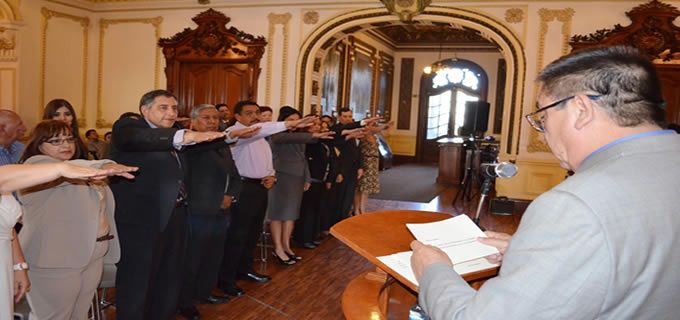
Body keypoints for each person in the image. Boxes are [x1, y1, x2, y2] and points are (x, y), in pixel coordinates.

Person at [410, 46, 680, 319]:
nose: (543, 131)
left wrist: (434, 270)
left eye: (544, 115)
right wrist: (533, 252)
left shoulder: (573, 205)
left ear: (581, 109)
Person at [108, 90, 242, 320]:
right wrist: (183, 137)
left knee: (168, 277)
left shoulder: (171, 137)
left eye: (173, 108)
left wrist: (224, 137)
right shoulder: (128, 129)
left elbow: (198, 147)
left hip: (175, 215)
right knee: (137, 281)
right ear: (145, 110)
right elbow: (138, 139)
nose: (171, 112)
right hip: (141, 221)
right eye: (163, 107)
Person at [17, 120, 137, 320]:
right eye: (55, 141)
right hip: (55, 258)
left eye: (69, 139)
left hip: (92, 254)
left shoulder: (81, 169)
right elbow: (63, 169)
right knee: (54, 316)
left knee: (79, 315)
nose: (65, 145)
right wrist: (104, 165)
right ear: (38, 145)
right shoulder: (36, 166)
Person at [217, 101, 315, 297]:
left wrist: (271, 175)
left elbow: (266, 158)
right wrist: (290, 124)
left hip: (260, 187)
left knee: (253, 232)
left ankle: (245, 269)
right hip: (243, 188)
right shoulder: (236, 133)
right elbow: (262, 129)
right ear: (237, 116)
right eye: (248, 113)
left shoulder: (259, 135)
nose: (254, 116)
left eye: (256, 112)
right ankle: (227, 280)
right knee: (238, 235)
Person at [177, 104, 245, 320]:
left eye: (215, 118)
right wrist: (226, 136)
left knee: (213, 256)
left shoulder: (220, 144)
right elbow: (199, 150)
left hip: (222, 210)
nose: (212, 121)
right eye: (206, 118)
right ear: (193, 122)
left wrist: (230, 195)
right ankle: (185, 302)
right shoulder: (190, 145)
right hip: (198, 209)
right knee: (192, 258)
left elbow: (235, 174)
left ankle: (204, 293)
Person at [268, 107, 334, 265]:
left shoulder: (299, 136)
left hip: (297, 178)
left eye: (298, 119)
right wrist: (313, 135)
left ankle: (286, 246)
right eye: (292, 120)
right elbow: (283, 139)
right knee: (278, 213)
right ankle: (277, 248)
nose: (296, 123)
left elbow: (303, 159)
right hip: (281, 177)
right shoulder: (278, 134)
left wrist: (307, 178)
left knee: (291, 214)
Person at [293, 117, 337, 249]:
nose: (317, 127)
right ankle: (303, 238)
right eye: (315, 124)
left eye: (319, 125)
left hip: (320, 180)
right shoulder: (306, 141)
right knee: (307, 211)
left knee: (316, 210)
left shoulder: (320, 141)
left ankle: (312, 236)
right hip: (310, 180)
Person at [353, 121, 392, 215]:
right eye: (372, 125)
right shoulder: (363, 135)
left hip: (373, 163)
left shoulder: (374, 136)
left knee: (366, 189)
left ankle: (362, 209)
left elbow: (384, 131)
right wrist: (384, 125)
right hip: (365, 163)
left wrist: (386, 126)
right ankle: (357, 209)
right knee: (360, 188)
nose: (374, 127)